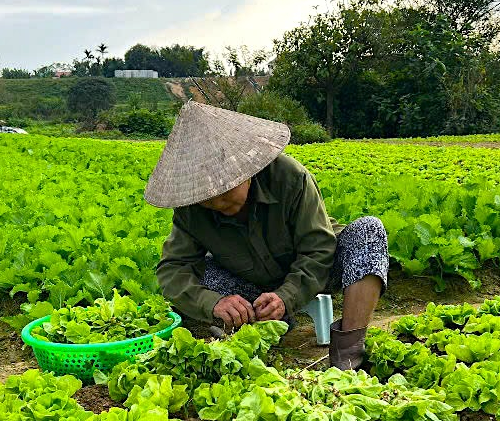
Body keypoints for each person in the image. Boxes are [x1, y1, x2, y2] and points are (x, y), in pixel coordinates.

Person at [143, 102, 388, 370]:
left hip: (317, 272)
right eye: (207, 199)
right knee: (206, 275)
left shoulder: (290, 178)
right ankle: (262, 329)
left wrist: (286, 296)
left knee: (368, 231)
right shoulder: (190, 210)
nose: (218, 203)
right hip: (248, 283)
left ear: (248, 170)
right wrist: (214, 304)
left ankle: (348, 351)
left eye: (225, 190)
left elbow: (318, 250)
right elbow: (173, 269)